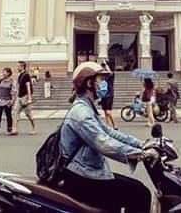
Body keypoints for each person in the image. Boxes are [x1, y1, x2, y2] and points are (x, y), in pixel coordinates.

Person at [60, 61, 153, 212]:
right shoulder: (82, 113)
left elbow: (109, 132)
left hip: (88, 170)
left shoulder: (87, 107)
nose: (104, 84)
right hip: (81, 176)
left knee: (129, 193)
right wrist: (137, 154)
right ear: (89, 83)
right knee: (140, 193)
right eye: (101, 80)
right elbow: (103, 143)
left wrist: (140, 144)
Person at [12, 61, 37, 135]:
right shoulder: (20, 75)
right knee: (15, 112)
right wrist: (16, 97)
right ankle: (14, 129)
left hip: (25, 96)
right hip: (19, 97)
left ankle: (34, 128)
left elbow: (28, 87)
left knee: (28, 114)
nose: (17, 68)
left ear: (22, 67)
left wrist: (29, 98)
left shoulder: (26, 75)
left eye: (18, 66)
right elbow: (18, 87)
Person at [0, 67, 16, 135]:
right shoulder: (1, 80)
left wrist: (12, 100)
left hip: (7, 100)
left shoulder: (12, 81)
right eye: (3, 72)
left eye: (4, 72)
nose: (3, 73)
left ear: (8, 73)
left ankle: (9, 128)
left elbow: (13, 91)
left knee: (8, 115)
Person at [100, 61, 117, 130]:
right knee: (105, 112)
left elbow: (109, 72)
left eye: (104, 67)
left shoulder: (111, 75)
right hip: (104, 95)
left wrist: (106, 64)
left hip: (110, 95)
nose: (103, 68)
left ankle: (115, 126)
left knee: (108, 111)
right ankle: (108, 127)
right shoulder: (103, 76)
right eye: (103, 67)